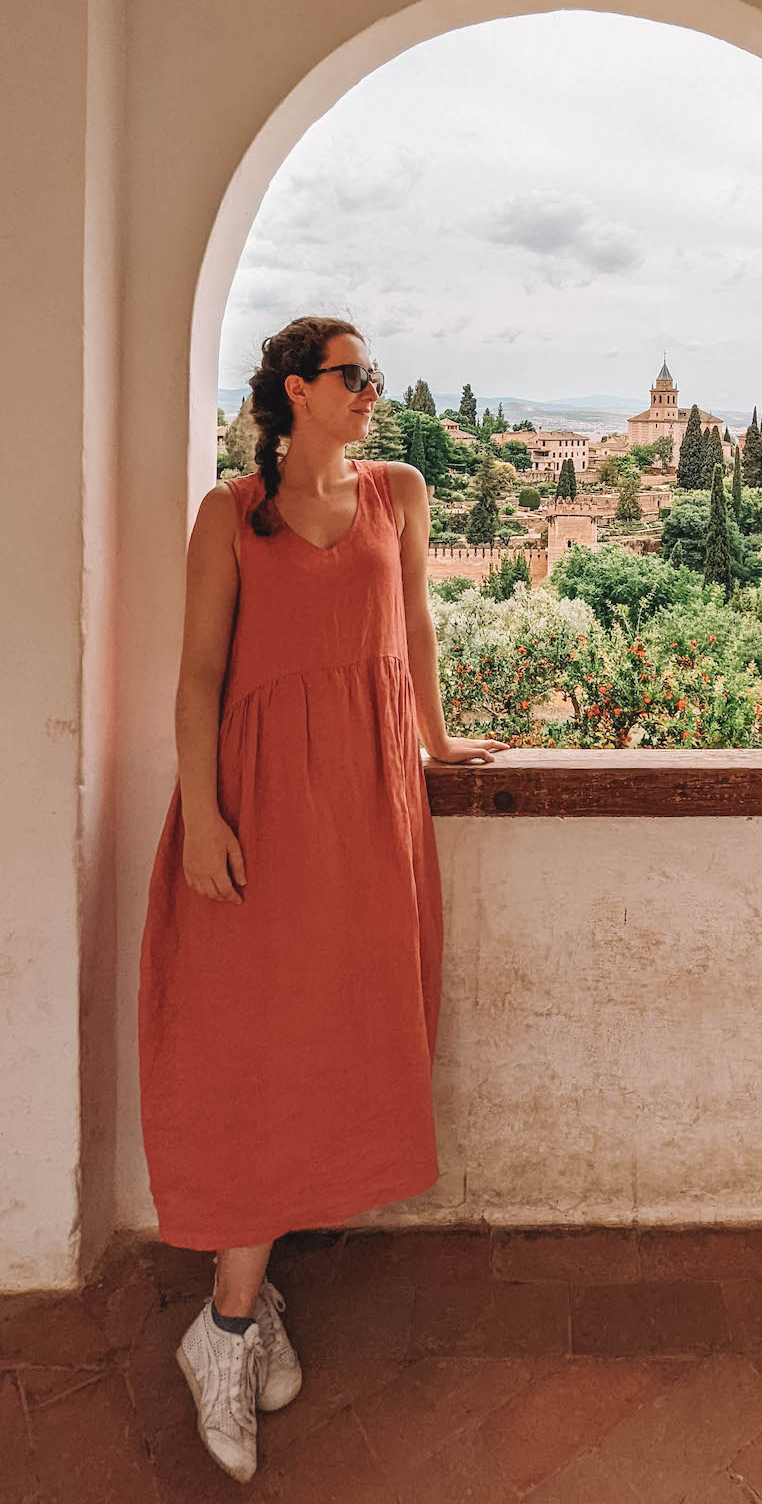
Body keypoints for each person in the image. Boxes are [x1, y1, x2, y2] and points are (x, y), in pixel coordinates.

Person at [137, 317, 506, 1481]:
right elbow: (198, 678)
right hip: (257, 816)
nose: (375, 393)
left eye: (374, 375)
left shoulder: (398, 492)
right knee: (257, 1052)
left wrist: (439, 748)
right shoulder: (229, 517)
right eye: (356, 377)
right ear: (299, 391)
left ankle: (239, 1314)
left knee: (332, 1048)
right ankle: (229, 1330)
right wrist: (202, 817)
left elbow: (415, 635)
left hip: (367, 811)